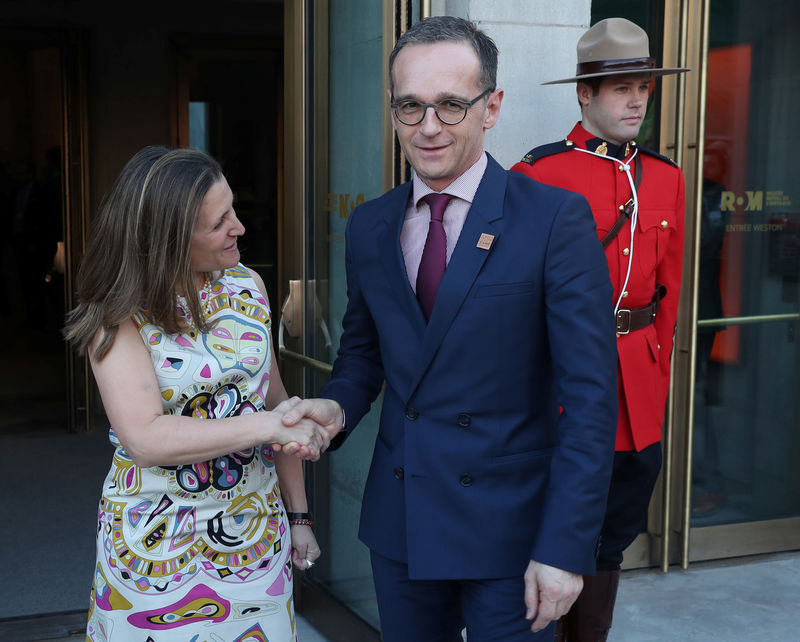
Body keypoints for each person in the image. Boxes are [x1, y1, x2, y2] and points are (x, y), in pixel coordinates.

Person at [281, 16, 618, 641]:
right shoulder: (371, 226)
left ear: (490, 107)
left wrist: (567, 546)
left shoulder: (553, 219)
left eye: (450, 106)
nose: (428, 127)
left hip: (514, 535)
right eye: (411, 107)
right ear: (392, 110)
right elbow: (362, 356)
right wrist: (335, 406)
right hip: (402, 523)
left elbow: (593, 400)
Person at [64, 146, 330, 640]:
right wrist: (266, 425)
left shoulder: (248, 287)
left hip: (253, 533)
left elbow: (278, 404)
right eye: (218, 222)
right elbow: (145, 436)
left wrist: (298, 515)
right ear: (168, 241)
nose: (239, 228)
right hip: (154, 546)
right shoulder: (118, 312)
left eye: (232, 209)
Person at [511, 17, 688, 641]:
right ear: (584, 93)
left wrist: (656, 374)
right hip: (561, 388)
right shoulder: (538, 175)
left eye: (642, 84)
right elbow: (515, 304)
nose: (637, 98)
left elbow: (668, 293)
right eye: (620, 87)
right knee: (551, 535)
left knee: (610, 544)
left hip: (637, 391)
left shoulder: (665, 176)